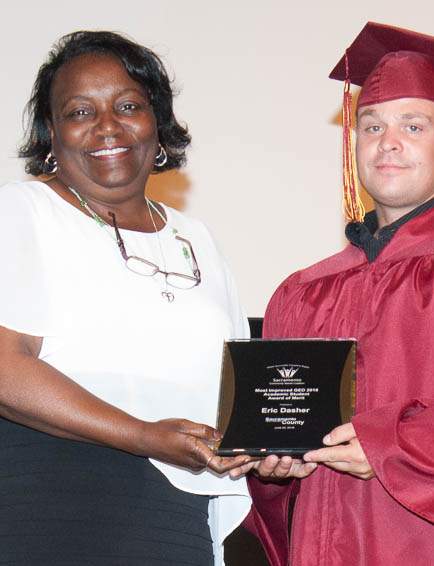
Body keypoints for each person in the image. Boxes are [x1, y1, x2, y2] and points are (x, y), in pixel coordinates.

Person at [230, 22, 434, 565]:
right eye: (371, 125)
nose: (388, 142)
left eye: (413, 125)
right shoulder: (302, 292)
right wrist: (275, 469)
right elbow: (279, 449)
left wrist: (391, 445)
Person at [0, 31, 252, 565]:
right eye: (79, 111)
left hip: (176, 517)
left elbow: (237, 390)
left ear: (157, 123)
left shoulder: (196, 238)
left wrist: (272, 445)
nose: (107, 126)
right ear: (51, 131)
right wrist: (143, 435)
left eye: (129, 106)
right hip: (52, 506)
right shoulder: (21, 211)